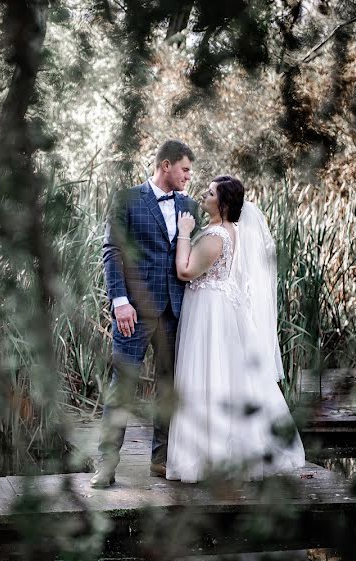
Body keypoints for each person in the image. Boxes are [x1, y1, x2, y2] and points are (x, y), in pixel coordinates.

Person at [166, 175, 305, 483]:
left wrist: (185, 233)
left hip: (210, 312)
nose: (205, 194)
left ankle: (211, 456)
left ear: (224, 203)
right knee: (224, 377)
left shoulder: (216, 234)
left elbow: (186, 271)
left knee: (209, 376)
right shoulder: (230, 230)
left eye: (211, 193)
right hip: (218, 306)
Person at [90, 140, 201, 489]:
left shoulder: (190, 206)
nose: (188, 177)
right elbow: (112, 251)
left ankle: (161, 458)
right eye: (184, 169)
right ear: (165, 165)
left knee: (169, 386)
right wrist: (119, 299)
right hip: (133, 311)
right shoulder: (127, 199)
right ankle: (106, 464)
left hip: (176, 311)